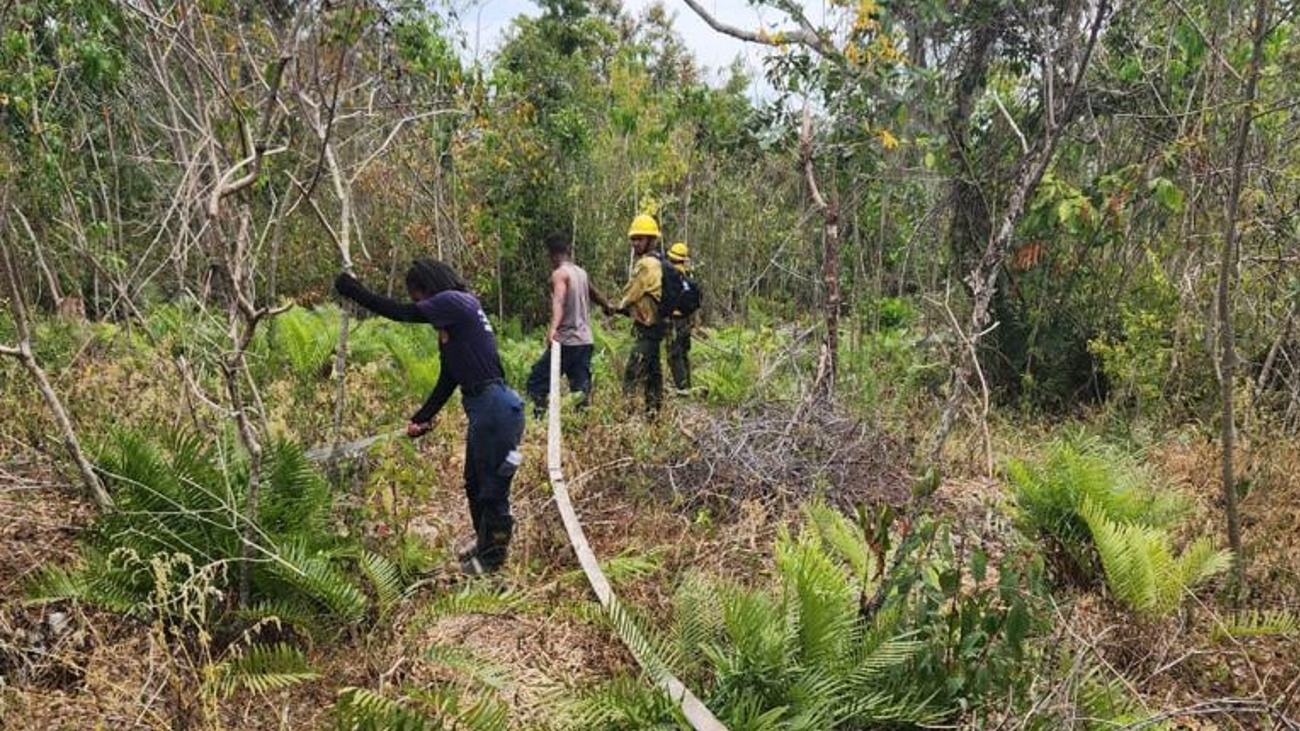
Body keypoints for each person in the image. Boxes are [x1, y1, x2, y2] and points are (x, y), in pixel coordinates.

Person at [334, 260, 524, 576]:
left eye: (418, 296)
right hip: (489, 410)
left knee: (493, 490)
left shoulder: (456, 301)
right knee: (474, 484)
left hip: (497, 409)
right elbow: (448, 379)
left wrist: (352, 290)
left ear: (429, 288)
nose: (420, 305)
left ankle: (493, 560)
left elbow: (400, 312)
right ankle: (485, 545)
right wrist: (421, 418)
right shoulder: (454, 326)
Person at [525, 232, 614, 418]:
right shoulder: (581, 272)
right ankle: (582, 428)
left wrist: (553, 329)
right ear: (567, 251)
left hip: (566, 341)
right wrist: (608, 306)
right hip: (585, 341)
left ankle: (539, 419)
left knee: (536, 381)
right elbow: (594, 292)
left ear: (551, 254)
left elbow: (559, 300)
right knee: (580, 390)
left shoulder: (559, 274)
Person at [617, 214, 665, 416]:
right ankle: (653, 416)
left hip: (647, 328)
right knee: (654, 374)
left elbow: (630, 294)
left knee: (632, 373)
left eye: (640, 239)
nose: (635, 243)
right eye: (633, 239)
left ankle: (626, 418)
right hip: (658, 327)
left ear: (651, 240)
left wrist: (616, 306)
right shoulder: (661, 262)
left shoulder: (646, 265)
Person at [665, 242, 695, 392]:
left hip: (673, 321)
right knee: (683, 354)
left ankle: (682, 388)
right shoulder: (688, 277)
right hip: (686, 321)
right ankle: (687, 384)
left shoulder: (670, 275)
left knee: (674, 355)